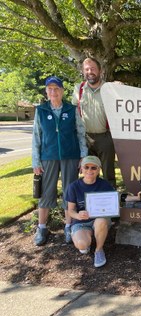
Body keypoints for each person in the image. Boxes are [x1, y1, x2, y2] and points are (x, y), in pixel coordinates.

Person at [32, 76, 87, 246]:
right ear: (46, 92)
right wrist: (36, 161)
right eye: (50, 89)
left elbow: (80, 133)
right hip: (48, 156)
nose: (53, 92)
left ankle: (69, 226)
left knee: (69, 192)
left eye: (56, 89)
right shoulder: (41, 110)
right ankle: (41, 227)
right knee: (46, 192)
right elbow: (36, 137)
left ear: (62, 91)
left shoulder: (71, 109)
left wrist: (83, 155)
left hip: (70, 155)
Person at [72, 57, 117, 187]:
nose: (90, 71)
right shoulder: (78, 89)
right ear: (83, 71)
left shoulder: (110, 89)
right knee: (88, 174)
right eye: (87, 69)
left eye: (93, 68)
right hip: (85, 138)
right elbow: (74, 114)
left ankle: (110, 202)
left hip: (105, 137)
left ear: (100, 71)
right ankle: (90, 202)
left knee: (108, 174)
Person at [65, 156, 115, 268]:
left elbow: (116, 198)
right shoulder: (73, 186)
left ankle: (99, 250)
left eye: (93, 168)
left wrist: (136, 197)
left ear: (98, 170)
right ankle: (88, 236)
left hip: (98, 220)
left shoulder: (104, 184)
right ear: (81, 169)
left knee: (101, 220)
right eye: (86, 167)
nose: (89, 170)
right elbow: (70, 210)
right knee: (82, 245)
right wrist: (78, 215)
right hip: (81, 222)